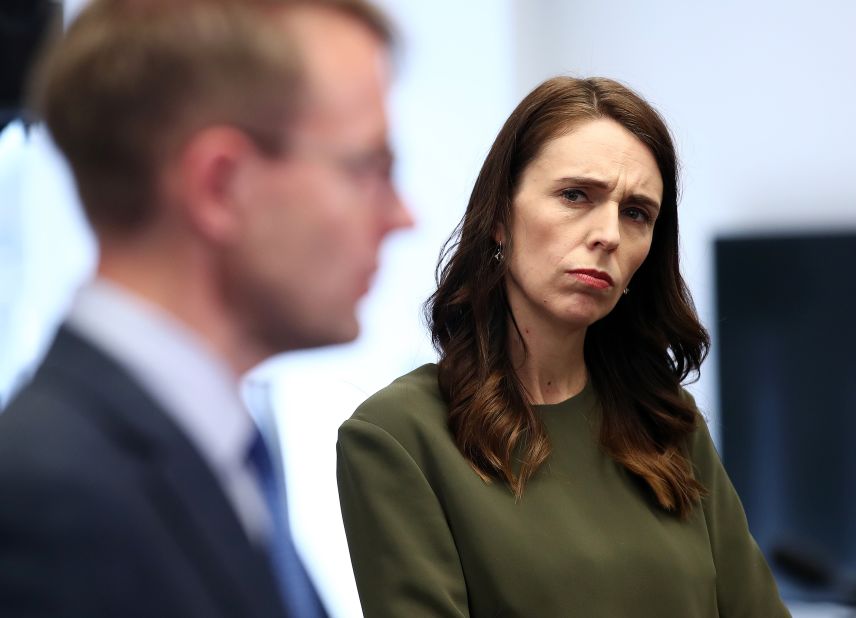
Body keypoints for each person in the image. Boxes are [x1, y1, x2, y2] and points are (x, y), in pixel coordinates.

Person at [0, 0, 411, 616]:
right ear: (220, 186)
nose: (403, 216)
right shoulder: (49, 497)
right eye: (369, 168)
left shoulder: (220, 456)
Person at [337, 76, 790, 617]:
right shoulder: (398, 435)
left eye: (636, 212)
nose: (609, 235)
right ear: (500, 217)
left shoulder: (667, 421)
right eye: (576, 195)